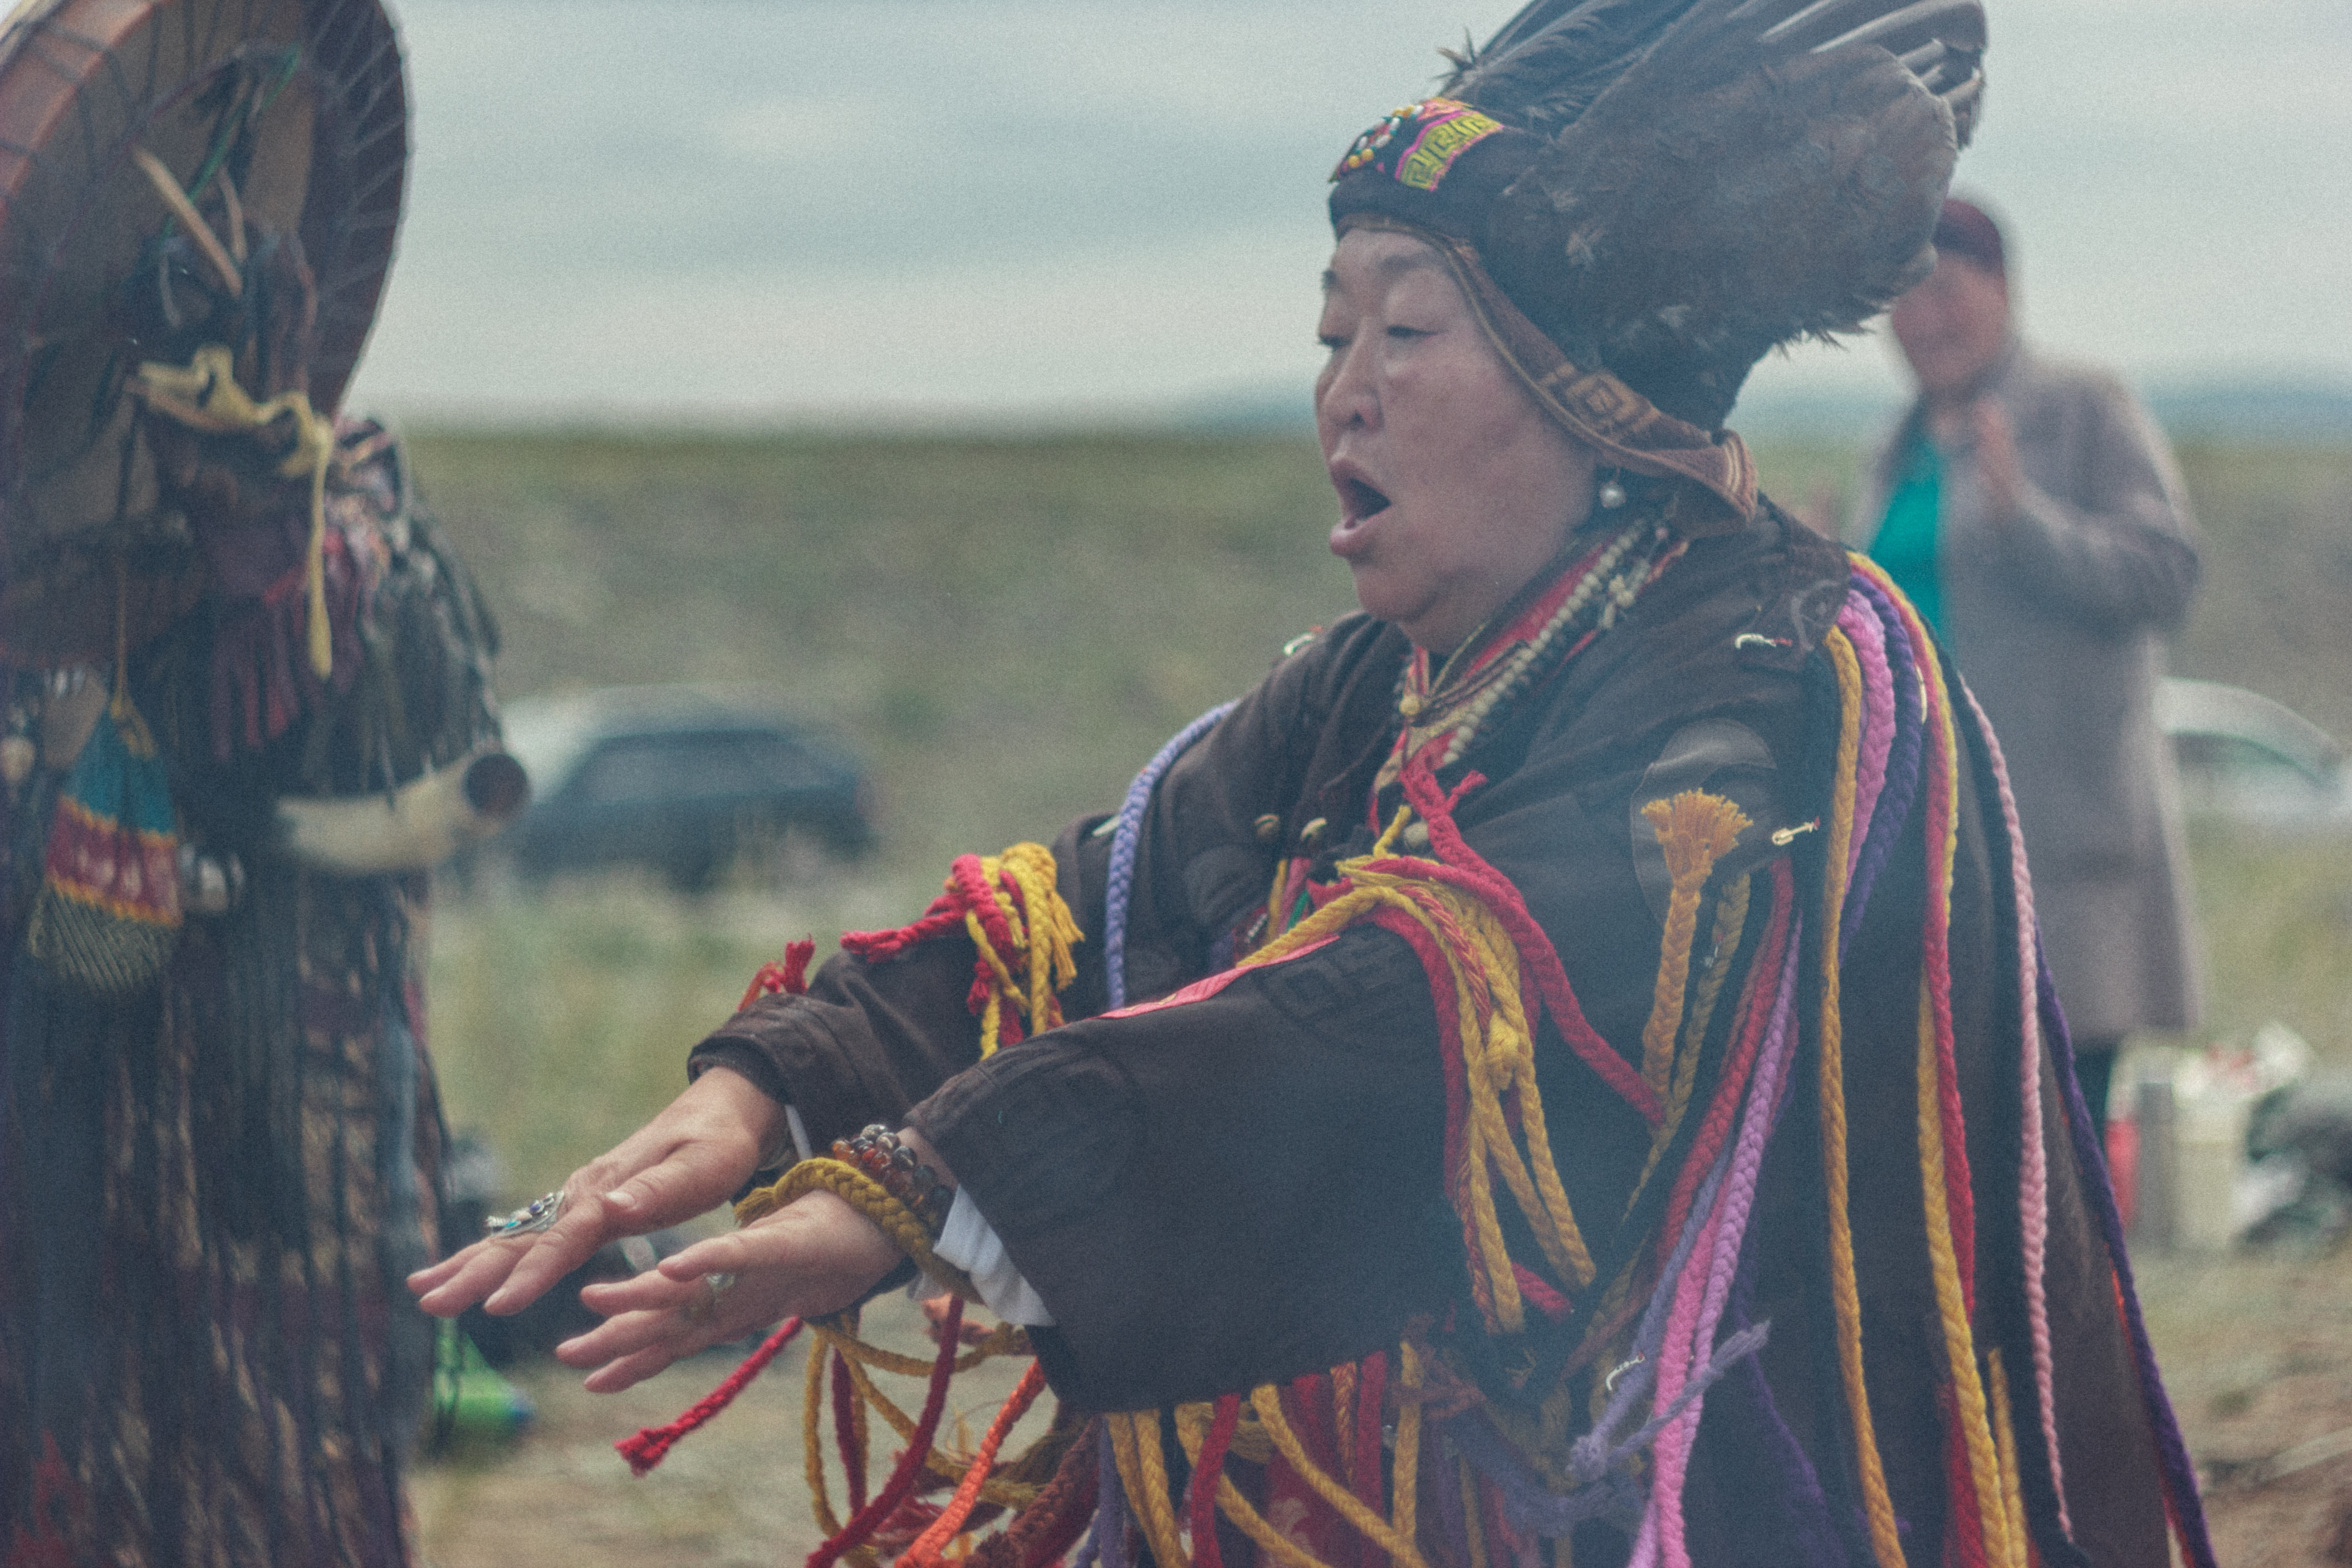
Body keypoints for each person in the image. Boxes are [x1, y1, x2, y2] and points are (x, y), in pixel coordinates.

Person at [416, 4, 2214, 1566]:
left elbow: (1440, 1013)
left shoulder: (1774, 669)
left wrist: (934, 1185)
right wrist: (781, 1087)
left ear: (1586, 394)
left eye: (1405, 334)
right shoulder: (1390, 679)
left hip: (1747, 1503)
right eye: (1329, 330)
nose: (1340, 393)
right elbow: (1105, 900)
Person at [0, 6, 512, 1565]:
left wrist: (255, 489)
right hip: (62, 1136)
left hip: (273, 1138)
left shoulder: (350, 489)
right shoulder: (39, 550)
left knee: (280, 1492)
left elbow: (383, 681)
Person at [1849, 199, 2204, 1127]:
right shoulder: (1895, 448)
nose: (1923, 317)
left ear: (2002, 285)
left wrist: (2027, 525)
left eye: (1944, 287)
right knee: (1947, 1154)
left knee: (2058, 1148)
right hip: (1923, 848)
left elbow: (2169, 572)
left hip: (2056, 845)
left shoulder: (2082, 408)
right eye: (1901, 298)